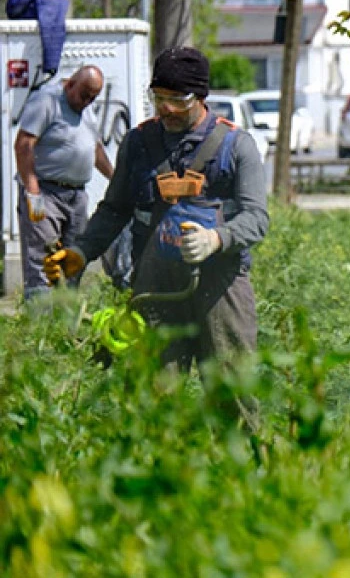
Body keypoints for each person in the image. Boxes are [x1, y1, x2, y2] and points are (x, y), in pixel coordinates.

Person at [44, 48, 269, 421]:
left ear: (200, 98)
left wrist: (217, 240)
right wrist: (82, 252)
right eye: (158, 98)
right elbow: (114, 210)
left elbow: (257, 218)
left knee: (235, 398)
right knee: (155, 403)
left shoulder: (237, 145)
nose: (164, 109)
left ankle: (246, 473)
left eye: (176, 101)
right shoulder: (138, 143)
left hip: (221, 289)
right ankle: (163, 476)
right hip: (155, 290)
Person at [14, 65, 113, 298]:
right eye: (84, 95)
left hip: (77, 196)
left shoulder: (86, 108)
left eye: (93, 97)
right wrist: (32, 191)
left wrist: (114, 176)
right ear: (70, 84)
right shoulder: (46, 101)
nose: (87, 101)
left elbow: (95, 147)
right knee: (43, 260)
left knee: (73, 260)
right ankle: (40, 324)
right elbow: (24, 145)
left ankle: (66, 323)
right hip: (45, 193)